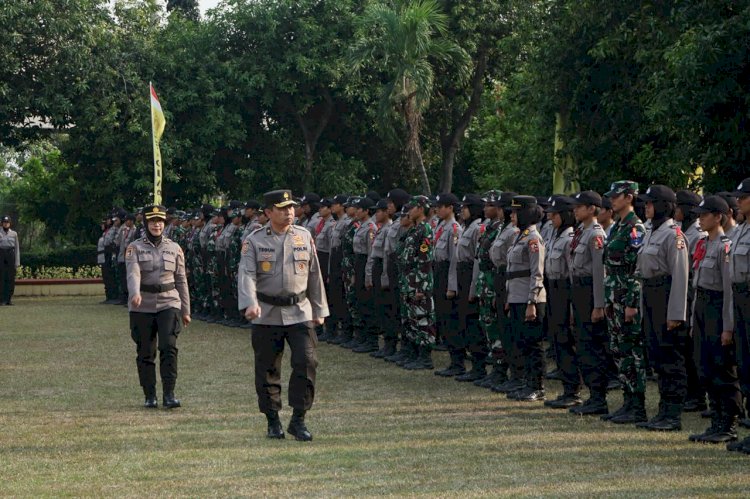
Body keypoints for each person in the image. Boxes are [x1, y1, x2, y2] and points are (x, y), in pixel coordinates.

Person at [238, 189, 328, 441]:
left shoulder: (304, 235)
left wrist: (319, 308)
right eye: (282, 208)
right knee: (267, 368)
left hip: (300, 310)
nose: (289, 212)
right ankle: (273, 420)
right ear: (268, 213)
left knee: (307, 361)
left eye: (291, 207)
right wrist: (250, 303)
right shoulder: (254, 240)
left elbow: (314, 274)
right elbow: (246, 273)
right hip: (266, 313)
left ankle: (298, 419)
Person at [635, 185, 690, 431]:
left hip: (665, 294)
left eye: (650, 202)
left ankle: (673, 413)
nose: (646, 206)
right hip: (650, 293)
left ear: (662, 205)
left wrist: (676, 313)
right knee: (656, 354)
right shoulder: (651, 231)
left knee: (670, 356)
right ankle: (663, 410)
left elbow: (680, 276)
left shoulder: (673, 235)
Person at [125, 205, 190, 409]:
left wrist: (186, 310)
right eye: (152, 221)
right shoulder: (134, 247)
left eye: (160, 221)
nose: (157, 225)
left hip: (168, 302)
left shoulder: (174, 248)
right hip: (142, 304)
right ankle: (150, 395)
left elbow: (181, 280)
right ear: (146, 224)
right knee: (146, 351)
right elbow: (133, 273)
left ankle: (169, 394)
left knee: (168, 347)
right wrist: (135, 293)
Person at [687, 195, 741, 444]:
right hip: (702, 307)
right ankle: (716, 419)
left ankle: (728, 423)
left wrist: (728, 327)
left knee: (722, 367)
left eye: (705, 214)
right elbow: (697, 286)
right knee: (704, 366)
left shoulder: (723, 247)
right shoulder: (703, 244)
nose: (700, 219)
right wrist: (693, 320)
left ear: (718, 217)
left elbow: (729, 290)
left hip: (717, 309)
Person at [601, 181, 648, 424]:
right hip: (614, 296)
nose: (612, 200)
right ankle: (627, 400)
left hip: (626, 297)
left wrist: (632, 302)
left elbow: (636, 269)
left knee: (632, 351)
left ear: (629, 197)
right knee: (619, 349)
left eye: (616, 196)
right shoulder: (617, 227)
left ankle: (637, 405)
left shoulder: (635, 228)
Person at [568, 191, 609, 415]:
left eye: (580, 206)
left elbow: (599, 272)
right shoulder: (581, 232)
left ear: (592, 208)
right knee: (583, 344)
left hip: (590, 292)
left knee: (593, 345)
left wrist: (599, 304)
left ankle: (598, 397)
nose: (575, 210)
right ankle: (593, 395)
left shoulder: (596, 234)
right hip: (579, 291)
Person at [505, 195, 547, 402]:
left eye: (515, 212)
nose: (511, 215)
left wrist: (532, 302)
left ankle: (537, 386)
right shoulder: (519, 236)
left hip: (529, 299)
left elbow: (537, 273)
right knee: (521, 342)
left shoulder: (533, 238)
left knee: (533, 344)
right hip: (516, 297)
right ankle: (526, 382)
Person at [542, 196, 581, 408]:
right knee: (556, 339)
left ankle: (573, 389)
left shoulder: (569, 238)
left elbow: (572, 272)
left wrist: (573, 305)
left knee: (566, 340)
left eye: (555, 214)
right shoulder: (555, 236)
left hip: (565, 290)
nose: (551, 217)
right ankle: (566, 387)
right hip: (552, 289)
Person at [727, 178, 750, 454]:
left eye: (743, 198)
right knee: (744, 364)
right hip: (741, 297)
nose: (739, 202)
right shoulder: (741, 229)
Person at [432, 193, 464, 376]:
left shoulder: (454, 229)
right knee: (443, 318)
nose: (437, 209)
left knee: (451, 320)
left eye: (441, 206)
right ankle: (453, 361)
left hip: (447, 274)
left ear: (450, 208)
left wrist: (452, 286)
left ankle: (458, 362)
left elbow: (454, 260)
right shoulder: (440, 226)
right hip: (438, 272)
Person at [0, 215, 20, 305]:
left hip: (10, 255)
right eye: (4, 222)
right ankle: (2, 299)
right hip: (1, 254)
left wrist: (17, 262)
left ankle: (8, 299)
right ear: (2, 223)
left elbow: (17, 248)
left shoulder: (14, 234)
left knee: (10, 277)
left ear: (10, 223)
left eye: (7, 222)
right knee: (2, 277)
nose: (6, 224)